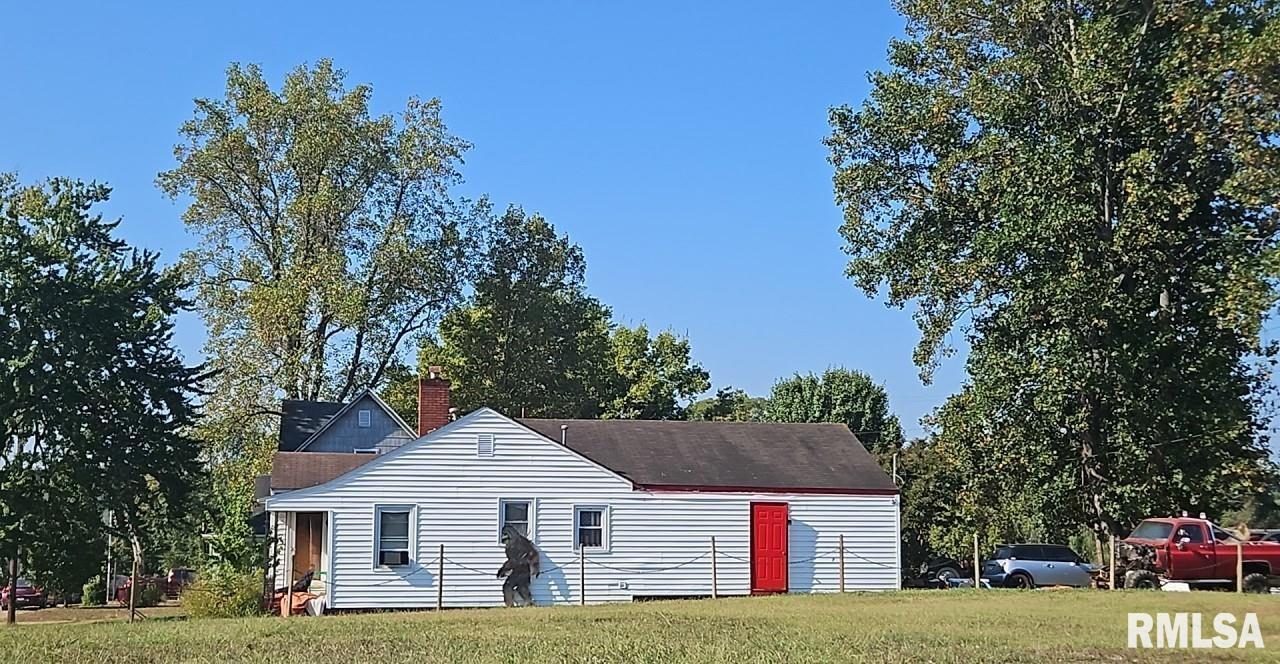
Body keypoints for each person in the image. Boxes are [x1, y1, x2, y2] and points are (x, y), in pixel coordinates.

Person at [496, 524, 539, 607]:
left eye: (506, 539)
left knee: (508, 586)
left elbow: (514, 561)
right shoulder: (520, 542)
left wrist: (503, 570)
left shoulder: (516, 545)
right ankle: (528, 602)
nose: (505, 542)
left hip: (522, 570)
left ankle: (511, 605)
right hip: (521, 570)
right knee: (521, 587)